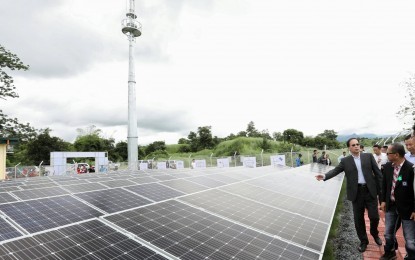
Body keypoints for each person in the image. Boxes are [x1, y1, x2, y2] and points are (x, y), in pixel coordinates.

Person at [315, 138, 382, 253]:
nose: (356, 146)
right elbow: (335, 171)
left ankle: (374, 233)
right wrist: (325, 176)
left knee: (374, 216)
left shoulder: (368, 157)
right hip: (356, 193)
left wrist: (381, 192)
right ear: (349, 148)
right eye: (353, 145)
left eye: (357, 144)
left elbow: (378, 174)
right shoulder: (345, 161)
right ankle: (363, 241)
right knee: (358, 219)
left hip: (370, 191)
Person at [380, 143, 415, 260]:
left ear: (396, 155)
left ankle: (410, 256)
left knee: (410, 239)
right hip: (391, 206)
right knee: (388, 233)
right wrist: (383, 201)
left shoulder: (411, 169)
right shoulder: (388, 167)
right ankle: (390, 252)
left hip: (408, 208)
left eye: (388, 153)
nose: (386, 155)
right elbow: (384, 185)